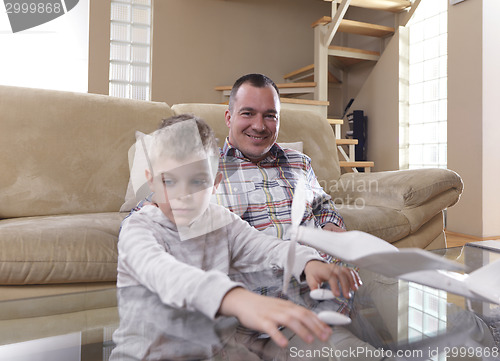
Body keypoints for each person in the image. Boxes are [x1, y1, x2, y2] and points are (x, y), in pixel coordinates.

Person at [117, 114, 361, 354]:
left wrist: (309, 262)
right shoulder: (138, 230)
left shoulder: (221, 221)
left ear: (215, 183)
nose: (183, 196)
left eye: (197, 182)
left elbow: (267, 247)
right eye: (169, 181)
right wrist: (235, 299)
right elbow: (166, 274)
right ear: (150, 182)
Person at [217, 73, 345, 244]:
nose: (259, 126)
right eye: (248, 113)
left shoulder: (300, 162)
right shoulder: (204, 172)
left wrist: (331, 225)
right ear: (228, 118)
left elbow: (322, 206)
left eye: (270, 116)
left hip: (320, 262)